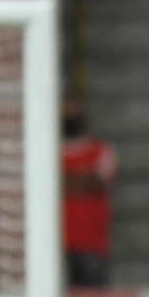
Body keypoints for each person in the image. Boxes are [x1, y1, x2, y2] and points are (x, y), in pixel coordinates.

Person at [61, 98, 118, 287]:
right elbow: (86, 182)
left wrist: (64, 180)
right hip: (56, 243)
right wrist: (81, 179)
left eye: (74, 113)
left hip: (91, 244)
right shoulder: (47, 151)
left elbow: (97, 183)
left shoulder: (101, 150)